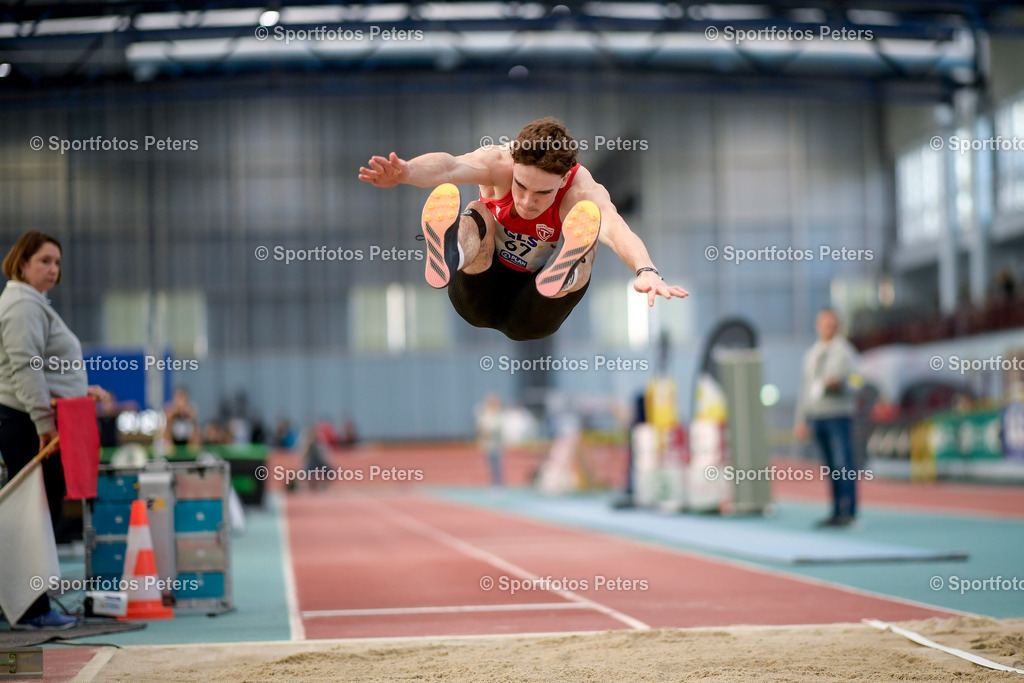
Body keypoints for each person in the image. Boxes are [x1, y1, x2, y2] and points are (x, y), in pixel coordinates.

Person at [358, 117, 689, 341]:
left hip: (534, 310)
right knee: (478, 212)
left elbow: (616, 229)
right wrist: (405, 172)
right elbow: (449, 166)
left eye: (543, 193)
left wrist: (645, 269)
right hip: (478, 289)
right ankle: (453, 251)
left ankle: (567, 272)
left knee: (589, 234)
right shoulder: (498, 163)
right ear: (514, 165)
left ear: (563, 179)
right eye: (521, 186)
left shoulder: (581, 191)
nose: (528, 201)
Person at [0, 231, 109, 630]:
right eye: (45, 260)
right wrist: (45, 424)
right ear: (22, 262)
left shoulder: (32, 304)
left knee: (37, 516)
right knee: (32, 519)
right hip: (28, 424)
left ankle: (30, 606)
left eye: (58, 262)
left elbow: (44, 367)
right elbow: (25, 368)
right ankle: (31, 610)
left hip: (32, 420)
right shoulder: (21, 306)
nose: (53, 269)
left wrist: (82, 390)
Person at [794, 309, 860, 527]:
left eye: (832, 324)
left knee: (844, 464)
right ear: (818, 325)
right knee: (830, 467)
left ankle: (848, 510)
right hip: (817, 415)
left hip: (838, 415)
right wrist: (801, 420)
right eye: (824, 323)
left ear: (837, 326)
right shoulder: (811, 355)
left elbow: (858, 382)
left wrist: (841, 385)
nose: (827, 328)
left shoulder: (846, 353)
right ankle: (835, 510)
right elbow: (804, 390)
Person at [476, 395, 504, 487]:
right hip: (488, 444)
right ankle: (494, 483)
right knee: (492, 466)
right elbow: (481, 429)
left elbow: (499, 429)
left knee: (497, 465)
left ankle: (498, 483)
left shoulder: (499, 414)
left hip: (497, 444)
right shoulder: (485, 414)